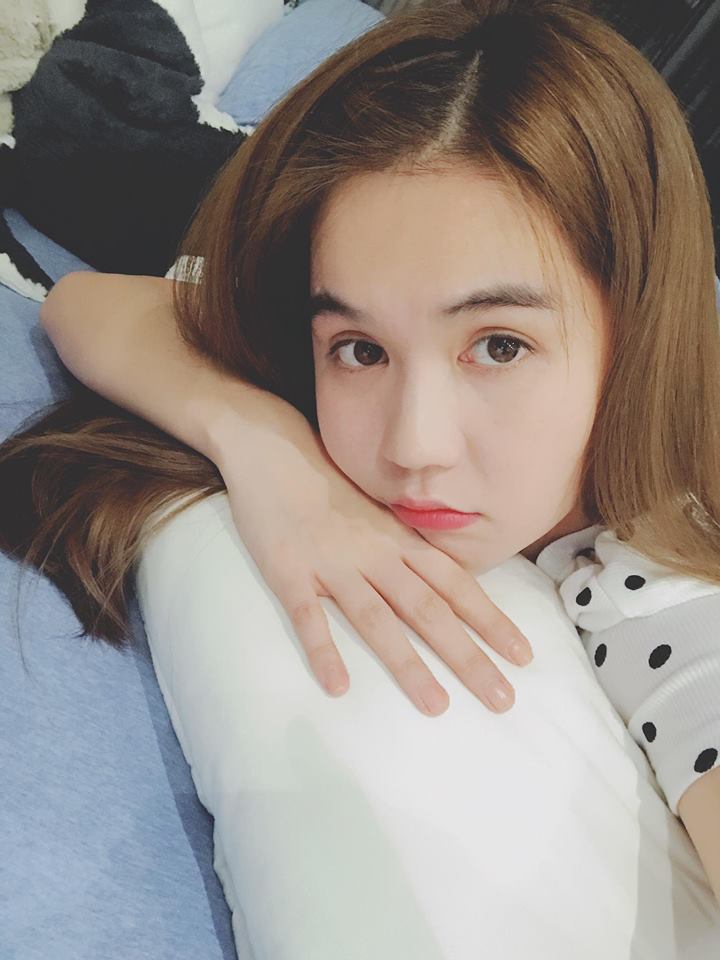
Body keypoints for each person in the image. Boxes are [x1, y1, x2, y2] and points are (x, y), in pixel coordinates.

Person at [1, 0, 719, 902]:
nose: (414, 446)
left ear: (641, 325)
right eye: (361, 349)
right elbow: (88, 303)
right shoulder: (343, 305)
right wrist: (271, 453)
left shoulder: (662, 584)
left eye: (499, 346)